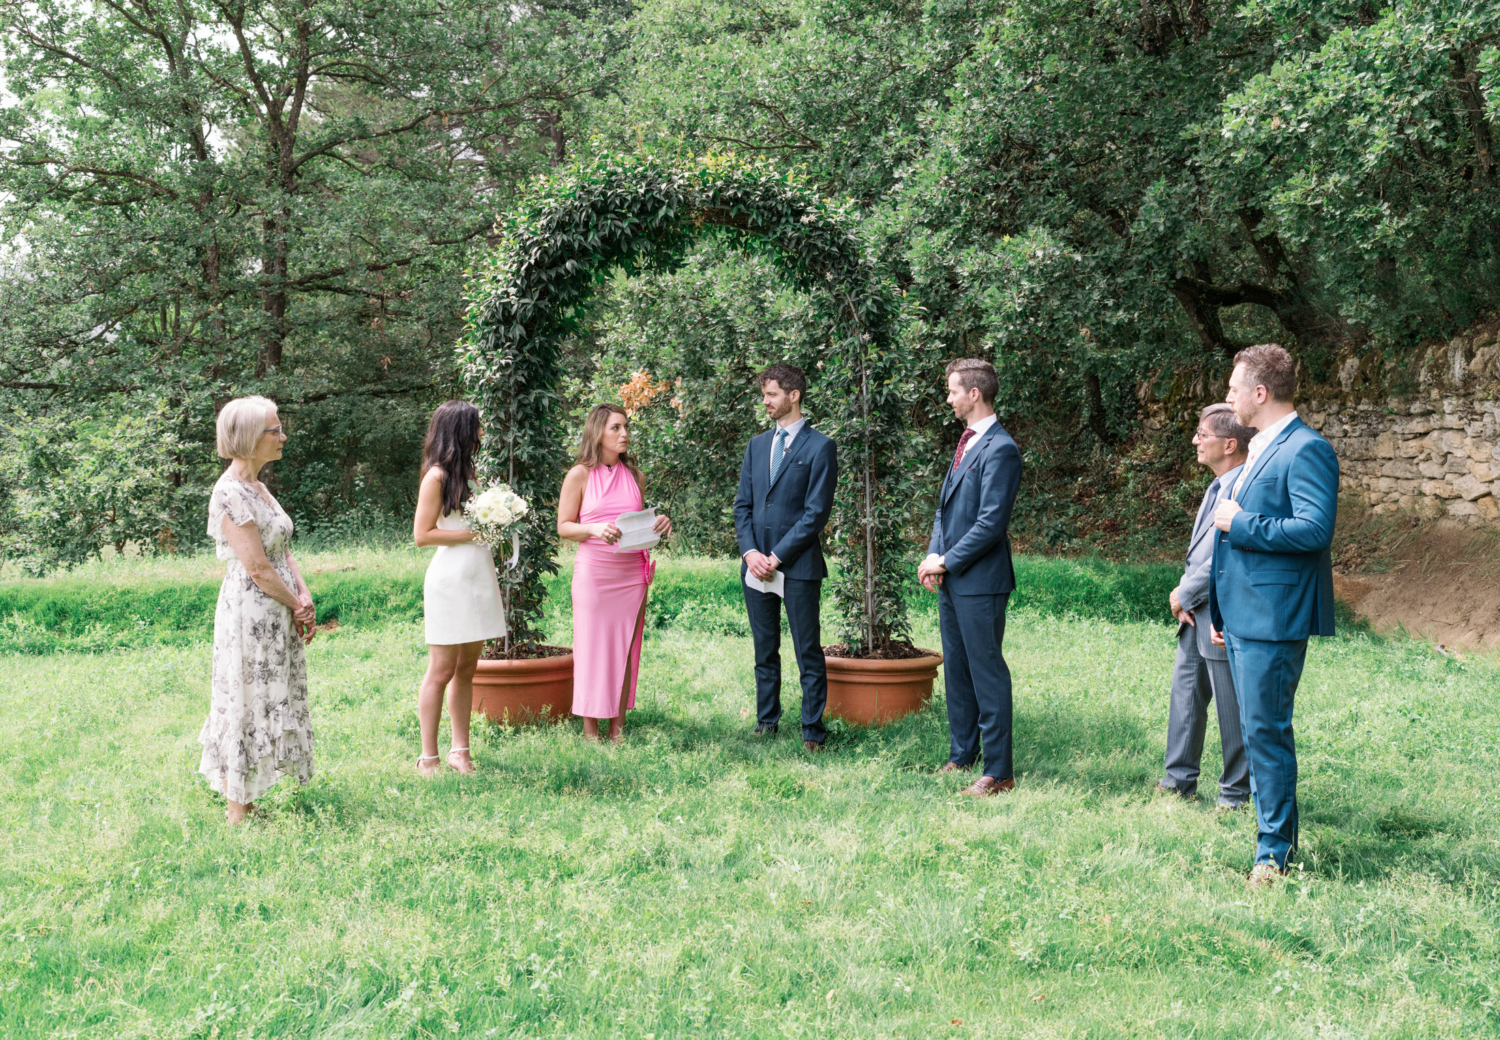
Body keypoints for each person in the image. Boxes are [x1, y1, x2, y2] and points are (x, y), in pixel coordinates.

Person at [1208, 343, 1339, 887]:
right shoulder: (1261, 446)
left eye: (1235, 388)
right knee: (1255, 731)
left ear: (1260, 393)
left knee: (1267, 732)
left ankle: (1274, 855)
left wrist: (1239, 523)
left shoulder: (1307, 449)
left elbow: (1314, 530)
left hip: (1273, 617)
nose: (1229, 396)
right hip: (1240, 614)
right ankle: (1269, 837)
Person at [198, 396, 316, 824]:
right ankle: (237, 810)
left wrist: (304, 596)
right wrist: (296, 605)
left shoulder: (259, 487)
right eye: (274, 430)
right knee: (246, 699)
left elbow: (283, 551)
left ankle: (247, 800)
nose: (283, 436)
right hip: (251, 612)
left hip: (278, 605)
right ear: (249, 438)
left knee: (270, 695)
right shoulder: (229, 493)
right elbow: (257, 568)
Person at [919, 359, 1023, 797]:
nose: (948, 398)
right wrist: (932, 554)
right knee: (958, 671)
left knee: (986, 673)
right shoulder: (965, 443)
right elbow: (946, 510)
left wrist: (946, 561)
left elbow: (990, 523)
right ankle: (962, 755)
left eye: (952, 390)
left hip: (982, 581)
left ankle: (999, 772)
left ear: (974, 394)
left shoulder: (1001, 448)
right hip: (952, 579)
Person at [733, 364, 838, 753]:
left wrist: (776, 556)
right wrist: (751, 552)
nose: (766, 401)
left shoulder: (821, 447)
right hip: (755, 565)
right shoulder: (757, 446)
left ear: (794, 395)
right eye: (764, 394)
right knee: (765, 649)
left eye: (772, 394)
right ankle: (767, 722)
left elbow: (815, 514)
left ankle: (812, 730)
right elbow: (742, 506)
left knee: (807, 650)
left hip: (798, 566)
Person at [1155, 403, 1253, 809]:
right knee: (1186, 697)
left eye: (1203, 434)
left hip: (1220, 611)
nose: (1195, 440)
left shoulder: (1244, 487)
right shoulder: (1216, 485)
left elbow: (1226, 554)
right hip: (1194, 614)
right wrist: (1186, 595)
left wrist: (1184, 593)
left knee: (1231, 708)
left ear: (1230, 444)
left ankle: (1235, 795)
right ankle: (1177, 782)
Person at [558, 405, 673, 742]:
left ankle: (617, 731)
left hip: (632, 575)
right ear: (598, 433)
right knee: (592, 651)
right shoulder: (579, 475)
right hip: (595, 574)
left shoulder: (636, 477)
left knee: (626, 650)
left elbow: (637, 526)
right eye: (616, 428)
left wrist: (659, 524)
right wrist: (594, 530)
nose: (624, 434)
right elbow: (564, 527)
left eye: (626, 427)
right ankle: (591, 730)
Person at [413, 400, 506, 776]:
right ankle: (428, 756)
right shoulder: (435, 477)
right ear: (461, 431)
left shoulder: (472, 475)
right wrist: (477, 532)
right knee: (441, 669)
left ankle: (460, 751)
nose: (482, 433)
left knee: (468, 667)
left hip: (479, 576)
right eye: (477, 427)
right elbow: (423, 535)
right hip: (449, 581)